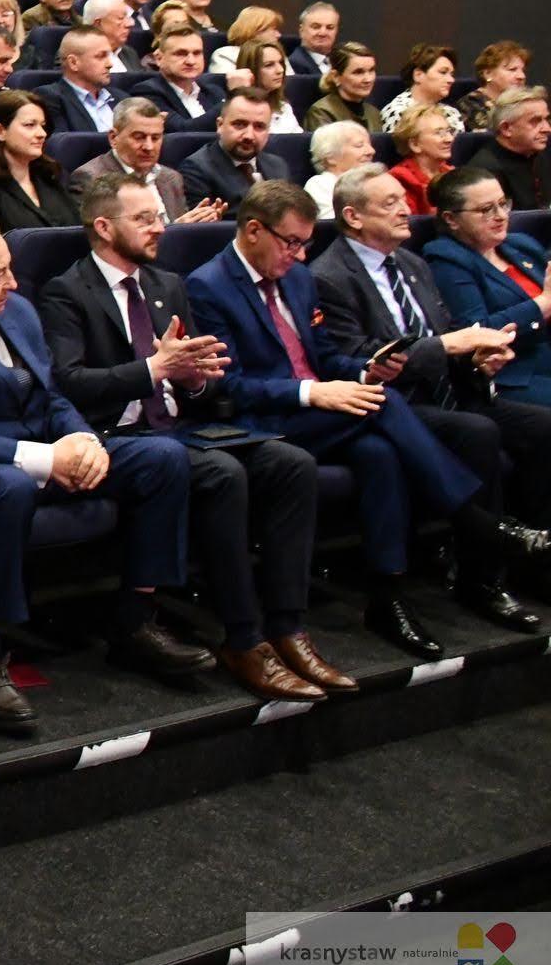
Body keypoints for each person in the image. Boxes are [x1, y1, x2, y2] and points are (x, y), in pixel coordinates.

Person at [0, 218, 205, 733]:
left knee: (161, 458)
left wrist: (84, 442)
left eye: (10, 270)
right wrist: (47, 459)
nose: (13, 283)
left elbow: (51, 396)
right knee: (6, 487)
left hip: (39, 447)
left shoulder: (16, 309)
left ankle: (136, 623)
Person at [184, 181, 533, 656]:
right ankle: (475, 521)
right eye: (291, 243)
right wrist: (313, 392)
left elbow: (324, 355)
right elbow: (230, 385)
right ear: (253, 231)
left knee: (378, 451)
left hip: (324, 409)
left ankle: (388, 595)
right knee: (384, 404)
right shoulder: (207, 285)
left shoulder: (297, 278)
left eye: (306, 244)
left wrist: (366, 370)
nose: (300, 256)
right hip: (264, 420)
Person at [38, 175, 352, 700]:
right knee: (222, 474)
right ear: (103, 226)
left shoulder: (167, 285)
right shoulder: (66, 291)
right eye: (144, 219)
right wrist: (153, 369)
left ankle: (287, 626)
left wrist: (193, 379)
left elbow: (201, 385)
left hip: (181, 428)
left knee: (290, 462)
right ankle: (243, 638)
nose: (159, 227)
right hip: (113, 434)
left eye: (159, 216)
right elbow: (69, 384)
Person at [315, 166, 548, 635]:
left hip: (449, 390)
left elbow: (446, 335)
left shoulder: (410, 263)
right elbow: (360, 359)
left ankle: (535, 561)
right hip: (396, 402)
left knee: (542, 426)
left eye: (403, 199)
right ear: (353, 216)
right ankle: (484, 576)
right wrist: (448, 347)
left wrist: (477, 359)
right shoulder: (330, 276)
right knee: (476, 431)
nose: (406, 209)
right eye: (390, 203)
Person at [424, 166, 551, 409]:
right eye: (485, 209)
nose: (501, 215)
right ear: (451, 219)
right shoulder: (446, 260)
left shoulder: (521, 245)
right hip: (513, 374)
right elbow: (476, 331)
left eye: (503, 204)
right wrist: (544, 303)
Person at [69, 97, 220, 224]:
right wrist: (175, 231)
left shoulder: (172, 178)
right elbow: (102, 240)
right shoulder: (90, 179)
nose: (149, 147)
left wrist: (197, 224)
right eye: (139, 137)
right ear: (113, 138)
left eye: (155, 138)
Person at [0, 88, 77, 230]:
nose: (42, 134)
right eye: (30, 125)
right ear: (0, 131)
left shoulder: (52, 179)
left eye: (42, 126)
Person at [178, 87, 288, 208]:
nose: (249, 135)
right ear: (220, 125)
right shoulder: (197, 169)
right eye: (240, 124)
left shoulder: (278, 165)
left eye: (259, 127)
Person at [465, 88, 551, 210]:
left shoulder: (543, 152)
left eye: (547, 119)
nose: (547, 129)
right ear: (506, 128)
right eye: (535, 121)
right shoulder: (485, 172)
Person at [39, 26, 134, 134]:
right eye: (100, 56)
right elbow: (64, 142)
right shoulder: (51, 98)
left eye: (109, 56)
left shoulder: (122, 98)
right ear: (73, 63)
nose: (110, 64)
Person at [134, 26, 224, 131]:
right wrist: (228, 105)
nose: (191, 61)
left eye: (197, 53)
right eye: (181, 54)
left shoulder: (214, 92)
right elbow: (182, 131)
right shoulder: (146, 93)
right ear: (159, 58)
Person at [389, 102, 457, 216]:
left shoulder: (450, 173)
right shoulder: (400, 179)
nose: (449, 139)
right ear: (415, 144)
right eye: (439, 133)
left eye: (449, 131)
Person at [301, 41, 385, 131]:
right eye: (358, 72)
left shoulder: (374, 113)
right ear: (336, 77)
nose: (368, 79)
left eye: (371, 70)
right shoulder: (321, 113)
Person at [381, 43, 464, 133]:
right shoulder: (399, 112)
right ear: (418, 75)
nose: (451, 80)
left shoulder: (452, 114)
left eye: (452, 74)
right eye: (443, 72)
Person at [304, 118, 376, 218]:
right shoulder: (320, 185)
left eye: (370, 145)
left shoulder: (378, 181)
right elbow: (333, 224)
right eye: (359, 145)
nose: (371, 151)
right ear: (330, 157)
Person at [461, 40, 533, 131]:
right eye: (512, 69)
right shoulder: (471, 104)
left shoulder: (526, 104)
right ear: (488, 74)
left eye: (523, 70)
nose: (521, 76)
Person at [234, 38, 301, 132]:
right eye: (269, 65)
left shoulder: (284, 107)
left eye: (281, 62)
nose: (280, 70)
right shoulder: (233, 110)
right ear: (251, 69)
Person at [208, 5, 283, 74]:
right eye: (274, 29)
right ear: (255, 30)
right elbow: (229, 83)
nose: (278, 35)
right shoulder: (225, 55)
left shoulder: (277, 55)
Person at [287, 2, 340, 79]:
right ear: (301, 30)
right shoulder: (292, 66)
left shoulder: (342, 62)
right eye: (316, 27)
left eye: (330, 27)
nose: (323, 33)